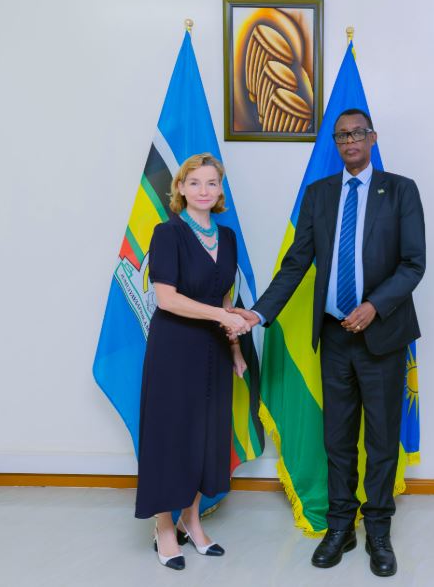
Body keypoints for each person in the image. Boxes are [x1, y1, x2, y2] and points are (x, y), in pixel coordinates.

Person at [231, 108, 426, 577]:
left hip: (383, 335)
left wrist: (374, 306)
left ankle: (378, 530)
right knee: (337, 438)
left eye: (358, 133)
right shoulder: (318, 195)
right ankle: (340, 526)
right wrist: (258, 313)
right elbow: (296, 263)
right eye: (341, 135)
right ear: (335, 144)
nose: (350, 140)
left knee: (381, 440)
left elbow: (413, 264)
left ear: (372, 138)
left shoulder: (401, 190)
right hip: (335, 337)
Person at [135, 153, 251, 571]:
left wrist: (235, 349)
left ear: (220, 190)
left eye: (212, 183)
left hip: (214, 350)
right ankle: (164, 527)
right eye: (195, 182)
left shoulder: (228, 237)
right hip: (174, 348)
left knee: (206, 437)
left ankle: (192, 519)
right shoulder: (168, 233)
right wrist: (222, 315)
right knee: (170, 437)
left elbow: (225, 295)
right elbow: (167, 298)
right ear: (181, 188)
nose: (204, 190)